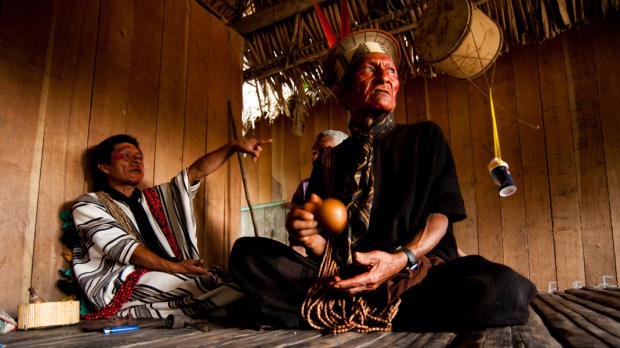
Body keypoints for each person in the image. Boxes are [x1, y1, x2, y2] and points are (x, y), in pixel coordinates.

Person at [229, 29, 536, 333]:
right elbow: (328, 251)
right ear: (342, 91)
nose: (384, 77)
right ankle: (377, 309)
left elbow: (440, 217)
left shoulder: (424, 138)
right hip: (345, 277)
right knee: (247, 255)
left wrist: (400, 259)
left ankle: (341, 310)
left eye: (390, 70)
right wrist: (312, 239)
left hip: (413, 274)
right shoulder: (328, 162)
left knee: (500, 289)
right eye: (369, 69)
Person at [71, 134, 272, 320]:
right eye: (126, 155)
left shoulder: (153, 199)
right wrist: (177, 268)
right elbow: (128, 250)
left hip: (171, 272)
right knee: (203, 286)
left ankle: (258, 303)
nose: (136, 160)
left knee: (234, 281)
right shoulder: (89, 204)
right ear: (104, 167)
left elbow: (193, 174)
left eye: (139, 156)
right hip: (123, 282)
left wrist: (233, 146)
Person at [292, 130, 348, 206]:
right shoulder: (305, 186)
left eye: (323, 151)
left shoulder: (353, 187)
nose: (314, 158)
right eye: (314, 152)